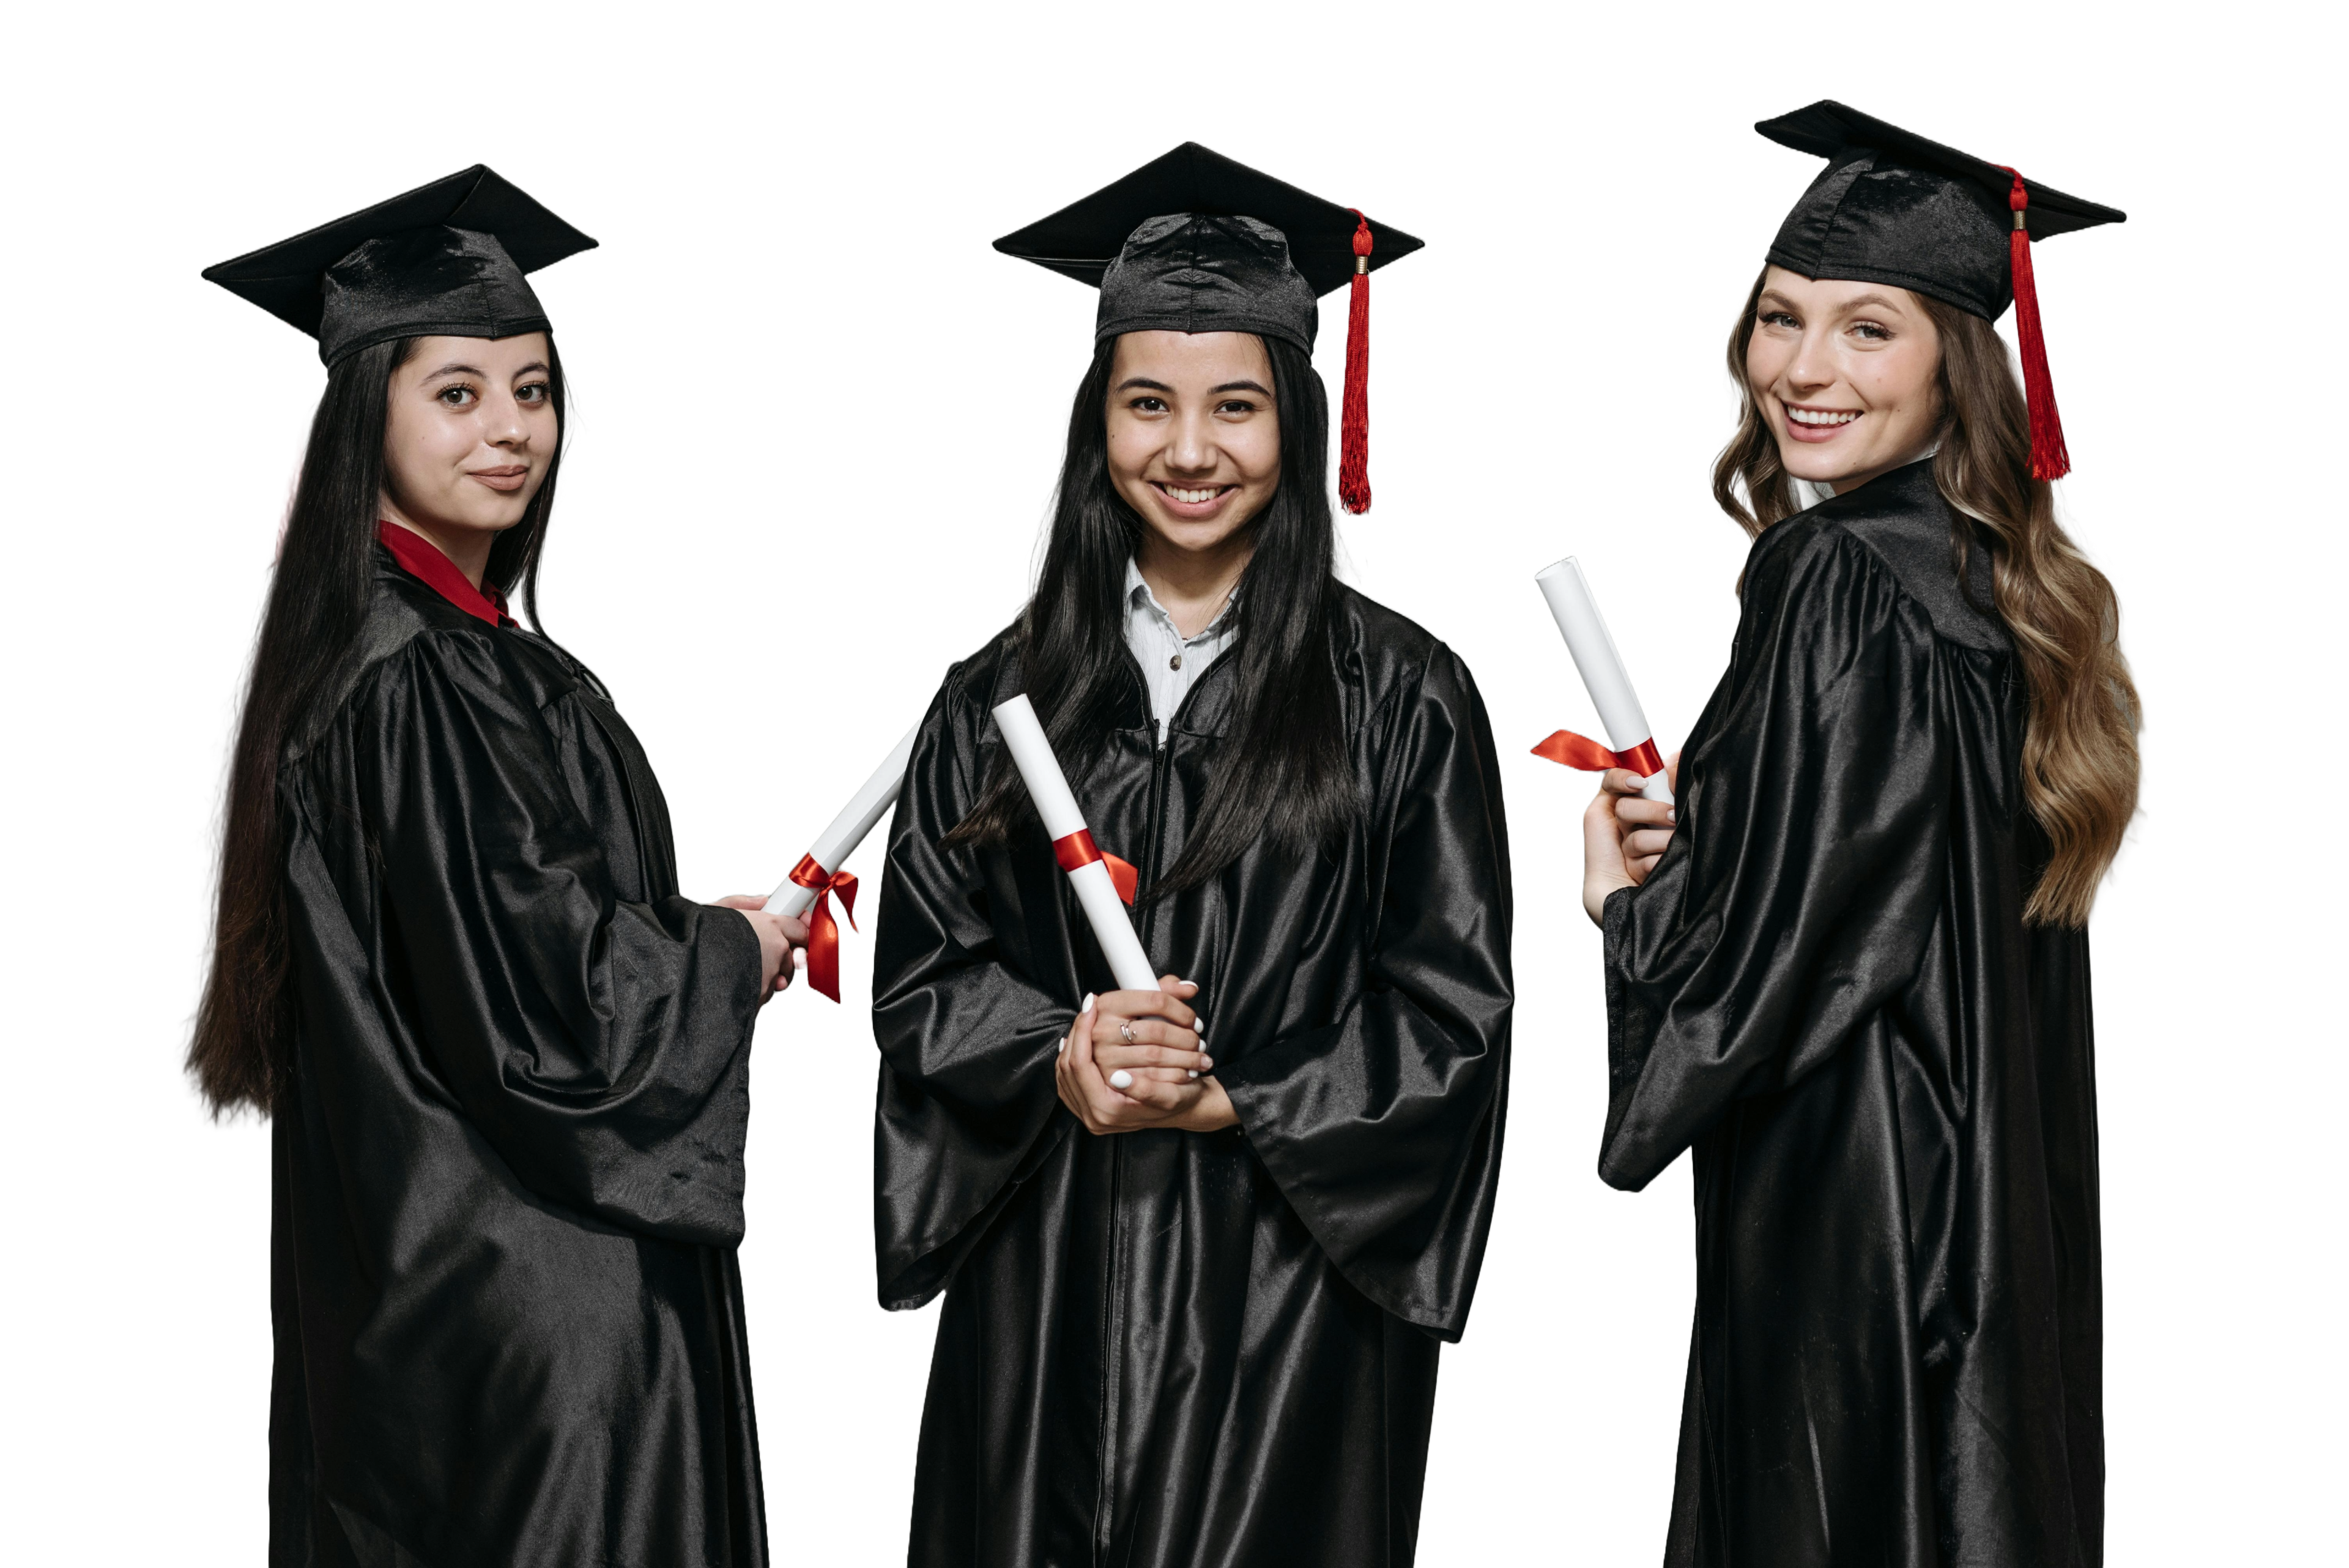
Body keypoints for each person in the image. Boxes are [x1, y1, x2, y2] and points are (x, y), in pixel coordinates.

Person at [867, 143, 1515, 1566]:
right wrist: (1063, 1054)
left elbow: (1452, 1013)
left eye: (1239, 407)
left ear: (1300, 420)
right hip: (1043, 1285)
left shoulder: (1403, 693)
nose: (1191, 451)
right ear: (1093, 424)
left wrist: (1239, 1097)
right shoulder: (997, 692)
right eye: (1147, 404)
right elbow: (921, 976)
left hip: (1284, 1301)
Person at [180, 165, 804, 1567]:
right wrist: (736, 953)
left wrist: (697, 937)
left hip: (430, 1302)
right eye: (457, 394)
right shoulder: (426, 686)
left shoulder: (393, 660)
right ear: (363, 423)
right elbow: (559, 1018)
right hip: (541, 1322)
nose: (513, 430)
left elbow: (498, 954)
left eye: (533, 390)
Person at [1578, 102, 2148, 1566]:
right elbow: (1868, 876)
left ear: (1960, 366)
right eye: (1780, 320)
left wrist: (1629, 905)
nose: (1803, 371)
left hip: (1859, 1221)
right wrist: (1728, 827)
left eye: (1868, 330)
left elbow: (1765, 964)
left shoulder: (1829, 576)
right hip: (1987, 1224)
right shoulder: (2009, 595)